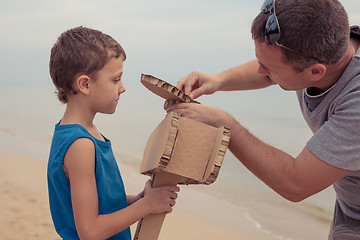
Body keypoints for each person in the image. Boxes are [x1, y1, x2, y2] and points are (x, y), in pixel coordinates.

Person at [167, 0, 360, 239]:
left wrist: (224, 125)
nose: (261, 71)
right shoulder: (330, 44)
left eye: (268, 67)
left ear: (315, 72)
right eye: (261, 62)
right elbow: (274, 71)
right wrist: (218, 80)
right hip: (349, 206)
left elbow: (296, 183)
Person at [47, 26, 180, 240]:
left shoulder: (80, 134)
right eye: (116, 79)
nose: (123, 87)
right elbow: (90, 231)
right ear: (85, 84)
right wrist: (148, 205)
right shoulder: (80, 144)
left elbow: (99, 204)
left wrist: (137, 200)